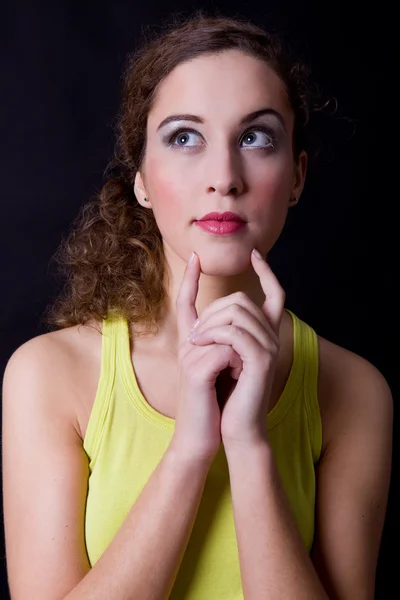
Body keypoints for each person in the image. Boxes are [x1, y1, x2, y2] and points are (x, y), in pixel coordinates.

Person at [2, 10, 393, 600]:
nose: (224, 176)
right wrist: (190, 447)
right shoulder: (50, 374)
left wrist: (249, 446)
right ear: (141, 179)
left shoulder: (354, 390)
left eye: (256, 137)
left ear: (297, 176)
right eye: (185, 137)